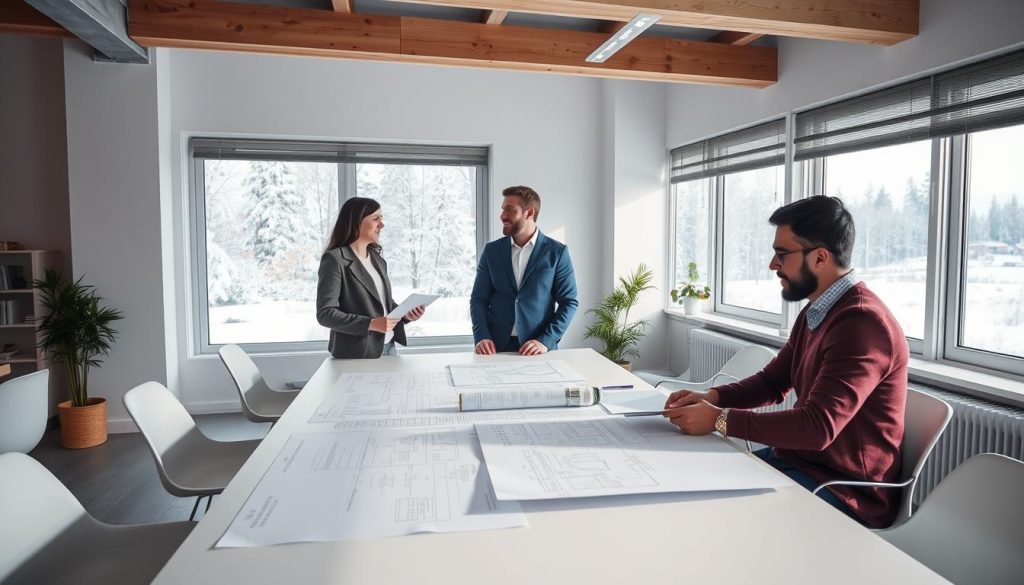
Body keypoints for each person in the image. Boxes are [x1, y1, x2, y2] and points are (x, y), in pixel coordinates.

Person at [663, 195, 908, 528]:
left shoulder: (862, 323)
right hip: (798, 464)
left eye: (781, 254)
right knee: (689, 486)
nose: (772, 265)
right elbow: (773, 382)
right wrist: (712, 398)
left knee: (716, 519)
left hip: (843, 491)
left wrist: (720, 420)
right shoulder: (818, 309)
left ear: (820, 257)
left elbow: (818, 427)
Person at [470, 186, 578, 356]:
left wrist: (546, 340)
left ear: (529, 213)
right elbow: (478, 299)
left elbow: (569, 302)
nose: (502, 216)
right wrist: (481, 336)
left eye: (510, 210)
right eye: (503, 209)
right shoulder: (492, 251)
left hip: (538, 349)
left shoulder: (557, 252)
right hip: (494, 348)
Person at [316, 197, 425, 359]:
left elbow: (382, 304)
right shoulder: (334, 259)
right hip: (356, 353)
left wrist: (405, 315)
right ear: (355, 221)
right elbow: (325, 314)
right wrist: (370, 324)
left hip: (387, 348)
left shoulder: (377, 258)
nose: (381, 225)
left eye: (381, 219)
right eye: (375, 219)